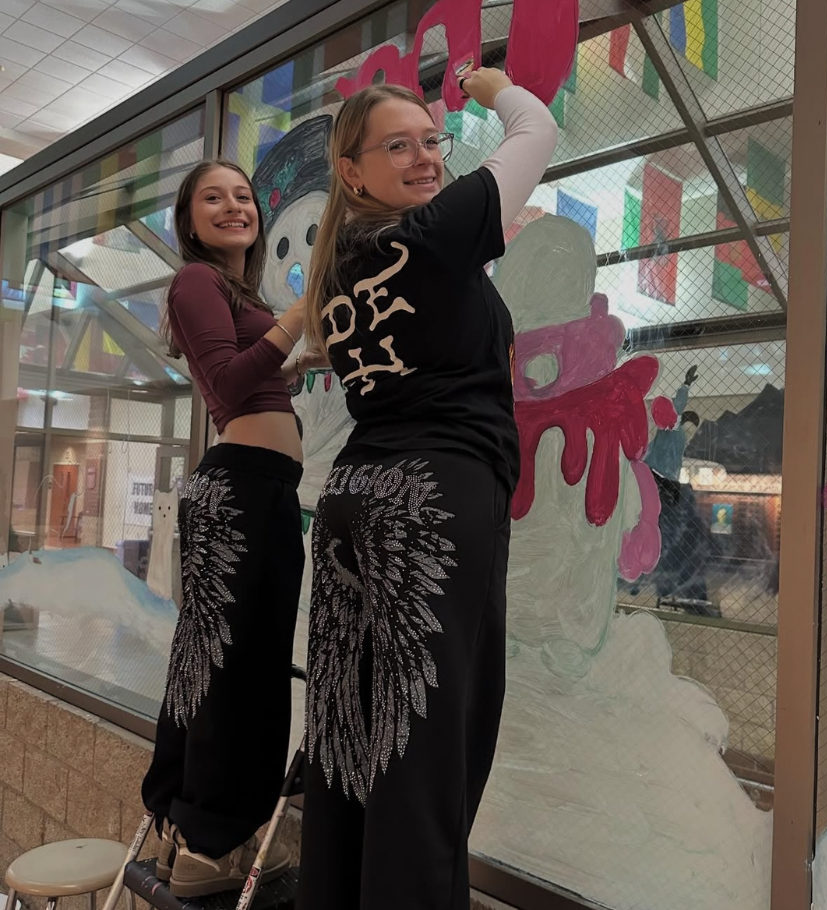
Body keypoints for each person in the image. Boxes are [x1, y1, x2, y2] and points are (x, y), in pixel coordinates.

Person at [297, 68, 558, 910]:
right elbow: (536, 131)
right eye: (397, 145)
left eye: (431, 141)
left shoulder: (337, 266)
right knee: (426, 757)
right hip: (432, 499)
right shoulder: (436, 233)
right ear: (351, 170)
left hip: (353, 501)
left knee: (345, 739)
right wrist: (491, 83)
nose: (424, 158)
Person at [140, 159, 323, 897]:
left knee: (231, 666)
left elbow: (253, 374)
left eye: (242, 196)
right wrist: (297, 317)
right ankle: (211, 843)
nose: (234, 207)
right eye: (212, 198)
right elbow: (229, 383)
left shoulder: (232, 292)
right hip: (240, 492)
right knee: (231, 674)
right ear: (189, 221)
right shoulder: (195, 282)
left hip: (262, 489)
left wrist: (299, 354)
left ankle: (195, 825)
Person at [644, 364, 699, 482]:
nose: (691, 433)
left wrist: (686, 384)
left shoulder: (676, 433)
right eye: (691, 428)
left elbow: (677, 407)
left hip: (652, 472)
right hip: (666, 478)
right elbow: (678, 406)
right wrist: (686, 385)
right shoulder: (675, 430)